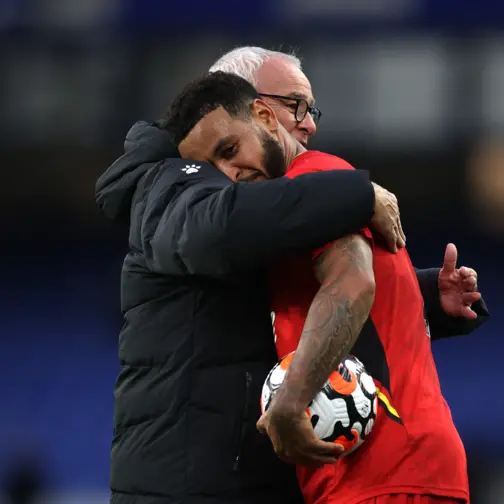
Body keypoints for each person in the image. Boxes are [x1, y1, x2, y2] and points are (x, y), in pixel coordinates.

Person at [165, 71, 474, 504]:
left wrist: (291, 401)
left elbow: (353, 281)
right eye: (214, 169)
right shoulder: (290, 210)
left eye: (231, 150)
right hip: (374, 477)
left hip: (389, 474)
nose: (229, 174)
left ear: (263, 115)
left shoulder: (316, 181)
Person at [96, 99, 405, 503]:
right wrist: (356, 195)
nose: (230, 173)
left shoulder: (246, 221)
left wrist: (426, 298)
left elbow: (290, 297)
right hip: (183, 489)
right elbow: (221, 227)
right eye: (218, 160)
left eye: (230, 151)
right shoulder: (169, 181)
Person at [210, 46, 489, 340]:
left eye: (310, 109)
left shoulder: (314, 188)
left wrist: (423, 294)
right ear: (248, 107)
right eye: (295, 105)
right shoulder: (183, 190)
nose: (310, 125)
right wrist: (356, 193)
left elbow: (329, 285)